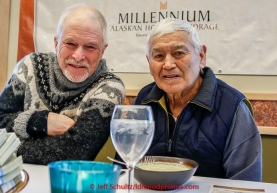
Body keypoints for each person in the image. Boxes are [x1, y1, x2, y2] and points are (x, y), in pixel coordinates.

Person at [132, 18, 262, 181]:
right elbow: (125, 167)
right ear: (149, 62)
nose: (168, 64)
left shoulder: (232, 107)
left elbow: (245, 184)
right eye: (158, 55)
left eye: (179, 53)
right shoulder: (143, 100)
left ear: (201, 56)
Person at [0, 4, 125, 165]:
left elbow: (74, 153)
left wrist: (7, 150)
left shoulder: (110, 88)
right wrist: (42, 121)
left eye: (90, 47)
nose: (79, 56)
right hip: (17, 178)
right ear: (56, 43)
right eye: (71, 44)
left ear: (102, 50)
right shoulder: (30, 66)